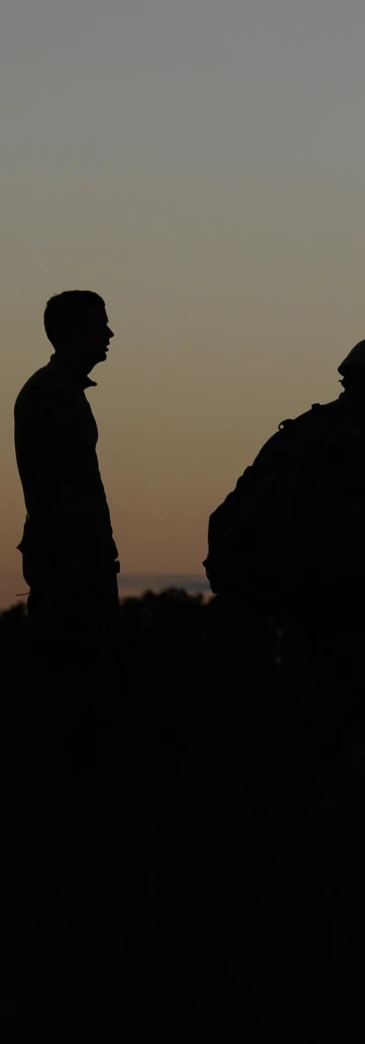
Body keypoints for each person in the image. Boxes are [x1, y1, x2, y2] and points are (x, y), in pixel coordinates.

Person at [204, 339, 365, 751]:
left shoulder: (309, 428)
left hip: (306, 583)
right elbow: (345, 510)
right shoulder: (348, 438)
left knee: (311, 682)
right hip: (339, 585)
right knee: (336, 684)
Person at [14, 290, 120, 761]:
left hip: (81, 558)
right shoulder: (48, 394)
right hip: (69, 562)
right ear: (72, 332)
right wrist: (82, 556)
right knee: (69, 680)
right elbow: (59, 491)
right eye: (101, 324)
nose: (109, 333)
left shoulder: (62, 392)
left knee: (87, 682)